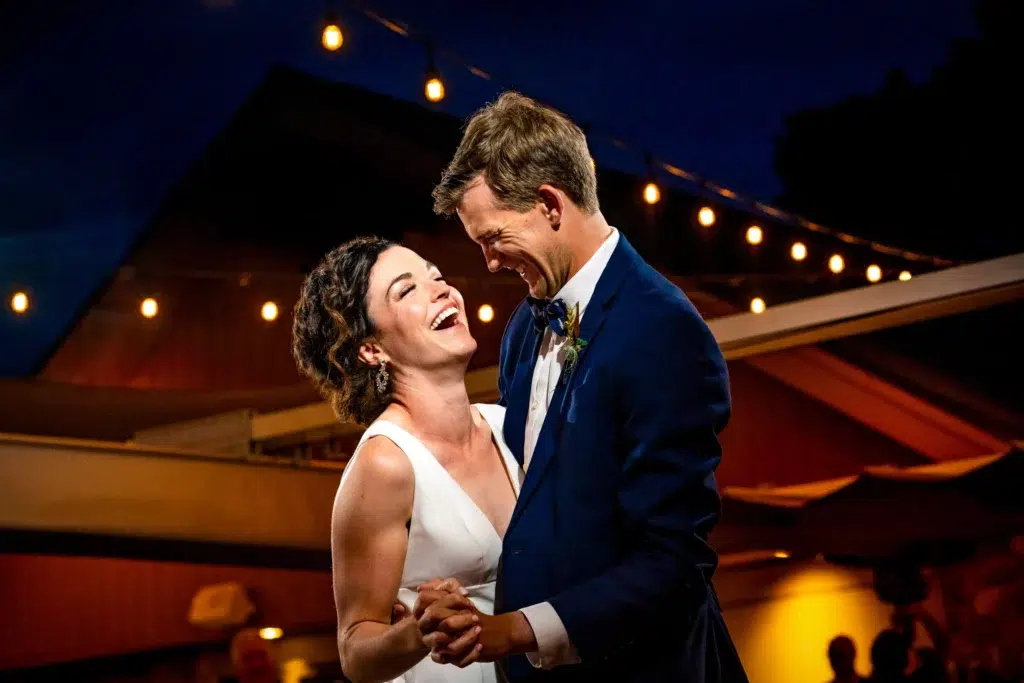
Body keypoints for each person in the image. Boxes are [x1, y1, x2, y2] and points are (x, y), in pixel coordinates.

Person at [422, 91, 747, 682]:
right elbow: (535, 503)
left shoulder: (663, 328)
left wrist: (518, 630)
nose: (489, 262)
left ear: (550, 203)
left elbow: (673, 563)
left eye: (492, 237)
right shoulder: (524, 326)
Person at [292, 236, 518, 682]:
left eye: (435, 276)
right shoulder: (386, 463)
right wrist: (417, 633)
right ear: (371, 349)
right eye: (406, 290)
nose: (441, 289)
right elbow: (355, 650)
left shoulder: (509, 427)